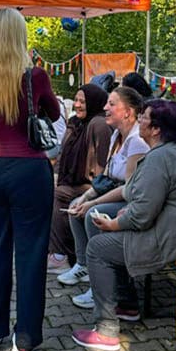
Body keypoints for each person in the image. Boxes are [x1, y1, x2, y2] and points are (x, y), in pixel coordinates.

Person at [72, 99, 176, 351]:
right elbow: (145, 197)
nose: (140, 121)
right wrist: (114, 212)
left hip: (174, 239)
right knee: (98, 224)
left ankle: (106, 330)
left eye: (144, 118)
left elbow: (142, 215)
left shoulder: (159, 158)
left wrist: (115, 224)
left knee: (97, 248)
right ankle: (126, 303)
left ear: (156, 129)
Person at [0, 8, 59, 351]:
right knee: (30, 254)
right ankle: (24, 340)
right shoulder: (34, 76)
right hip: (29, 169)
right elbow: (54, 113)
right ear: (19, 36)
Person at [59, 87, 149, 311]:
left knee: (92, 214)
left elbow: (129, 189)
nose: (105, 108)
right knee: (76, 205)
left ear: (128, 112)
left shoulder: (137, 141)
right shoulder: (116, 135)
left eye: (111, 104)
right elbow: (106, 177)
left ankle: (101, 285)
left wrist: (93, 203)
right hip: (115, 192)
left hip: (132, 201)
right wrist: (86, 197)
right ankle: (83, 265)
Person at [47, 84, 112, 273]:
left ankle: (60, 255)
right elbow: (62, 153)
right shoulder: (75, 123)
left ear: (93, 102)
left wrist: (93, 191)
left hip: (92, 184)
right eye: (76, 100)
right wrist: (55, 176)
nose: (77, 105)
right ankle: (55, 250)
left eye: (82, 101)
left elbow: (102, 165)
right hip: (74, 181)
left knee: (57, 195)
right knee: (47, 188)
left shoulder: (99, 124)